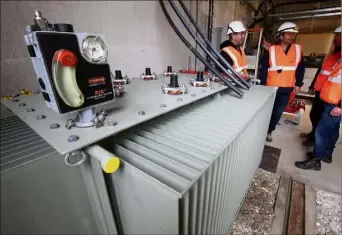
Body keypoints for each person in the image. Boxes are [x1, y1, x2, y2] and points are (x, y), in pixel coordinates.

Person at [259, 22, 305, 142]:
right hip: (270, 88)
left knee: (278, 112)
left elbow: (300, 68)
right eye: (289, 34)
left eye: (293, 34)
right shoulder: (271, 50)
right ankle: (260, 129)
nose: (291, 36)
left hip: (286, 88)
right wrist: (262, 85)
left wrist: (299, 83)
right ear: (281, 35)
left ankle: (269, 130)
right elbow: (264, 68)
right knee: (266, 110)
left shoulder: (297, 50)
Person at [295, 54, 341, 170]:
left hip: (335, 102)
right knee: (332, 129)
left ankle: (316, 160)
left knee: (321, 131)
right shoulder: (337, 56)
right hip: (329, 98)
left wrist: (340, 106)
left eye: (339, 35)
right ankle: (326, 154)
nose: (337, 37)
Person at [300, 26, 341, 147]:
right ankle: (313, 137)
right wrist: (313, 85)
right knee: (314, 116)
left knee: (328, 127)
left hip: (334, 99)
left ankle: (324, 151)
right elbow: (321, 71)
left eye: (338, 35)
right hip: (322, 92)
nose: (335, 38)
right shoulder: (332, 54)